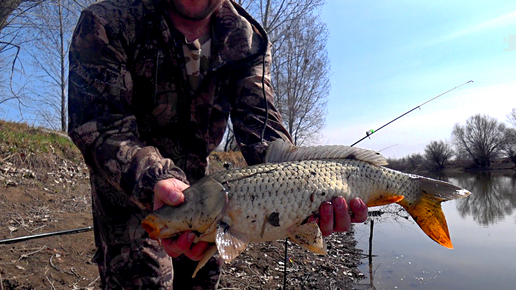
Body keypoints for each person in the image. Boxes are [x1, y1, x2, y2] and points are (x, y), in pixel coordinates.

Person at [68, 0, 369, 289]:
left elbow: (260, 129)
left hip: (210, 193)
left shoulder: (247, 39)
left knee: (203, 278)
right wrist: (156, 180)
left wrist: (306, 196)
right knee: (145, 280)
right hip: (127, 190)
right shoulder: (107, 22)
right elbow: (100, 126)